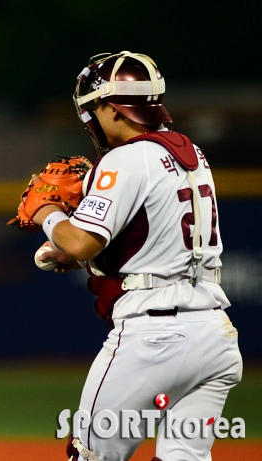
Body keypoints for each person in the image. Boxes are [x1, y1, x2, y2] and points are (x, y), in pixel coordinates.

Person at [32, 51, 242, 461]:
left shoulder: (126, 158)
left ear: (112, 108)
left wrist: (46, 212)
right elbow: (152, 239)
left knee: (90, 457)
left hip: (154, 337)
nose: (90, 118)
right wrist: (76, 256)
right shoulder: (192, 153)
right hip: (214, 335)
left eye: (92, 109)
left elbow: (80, 242)